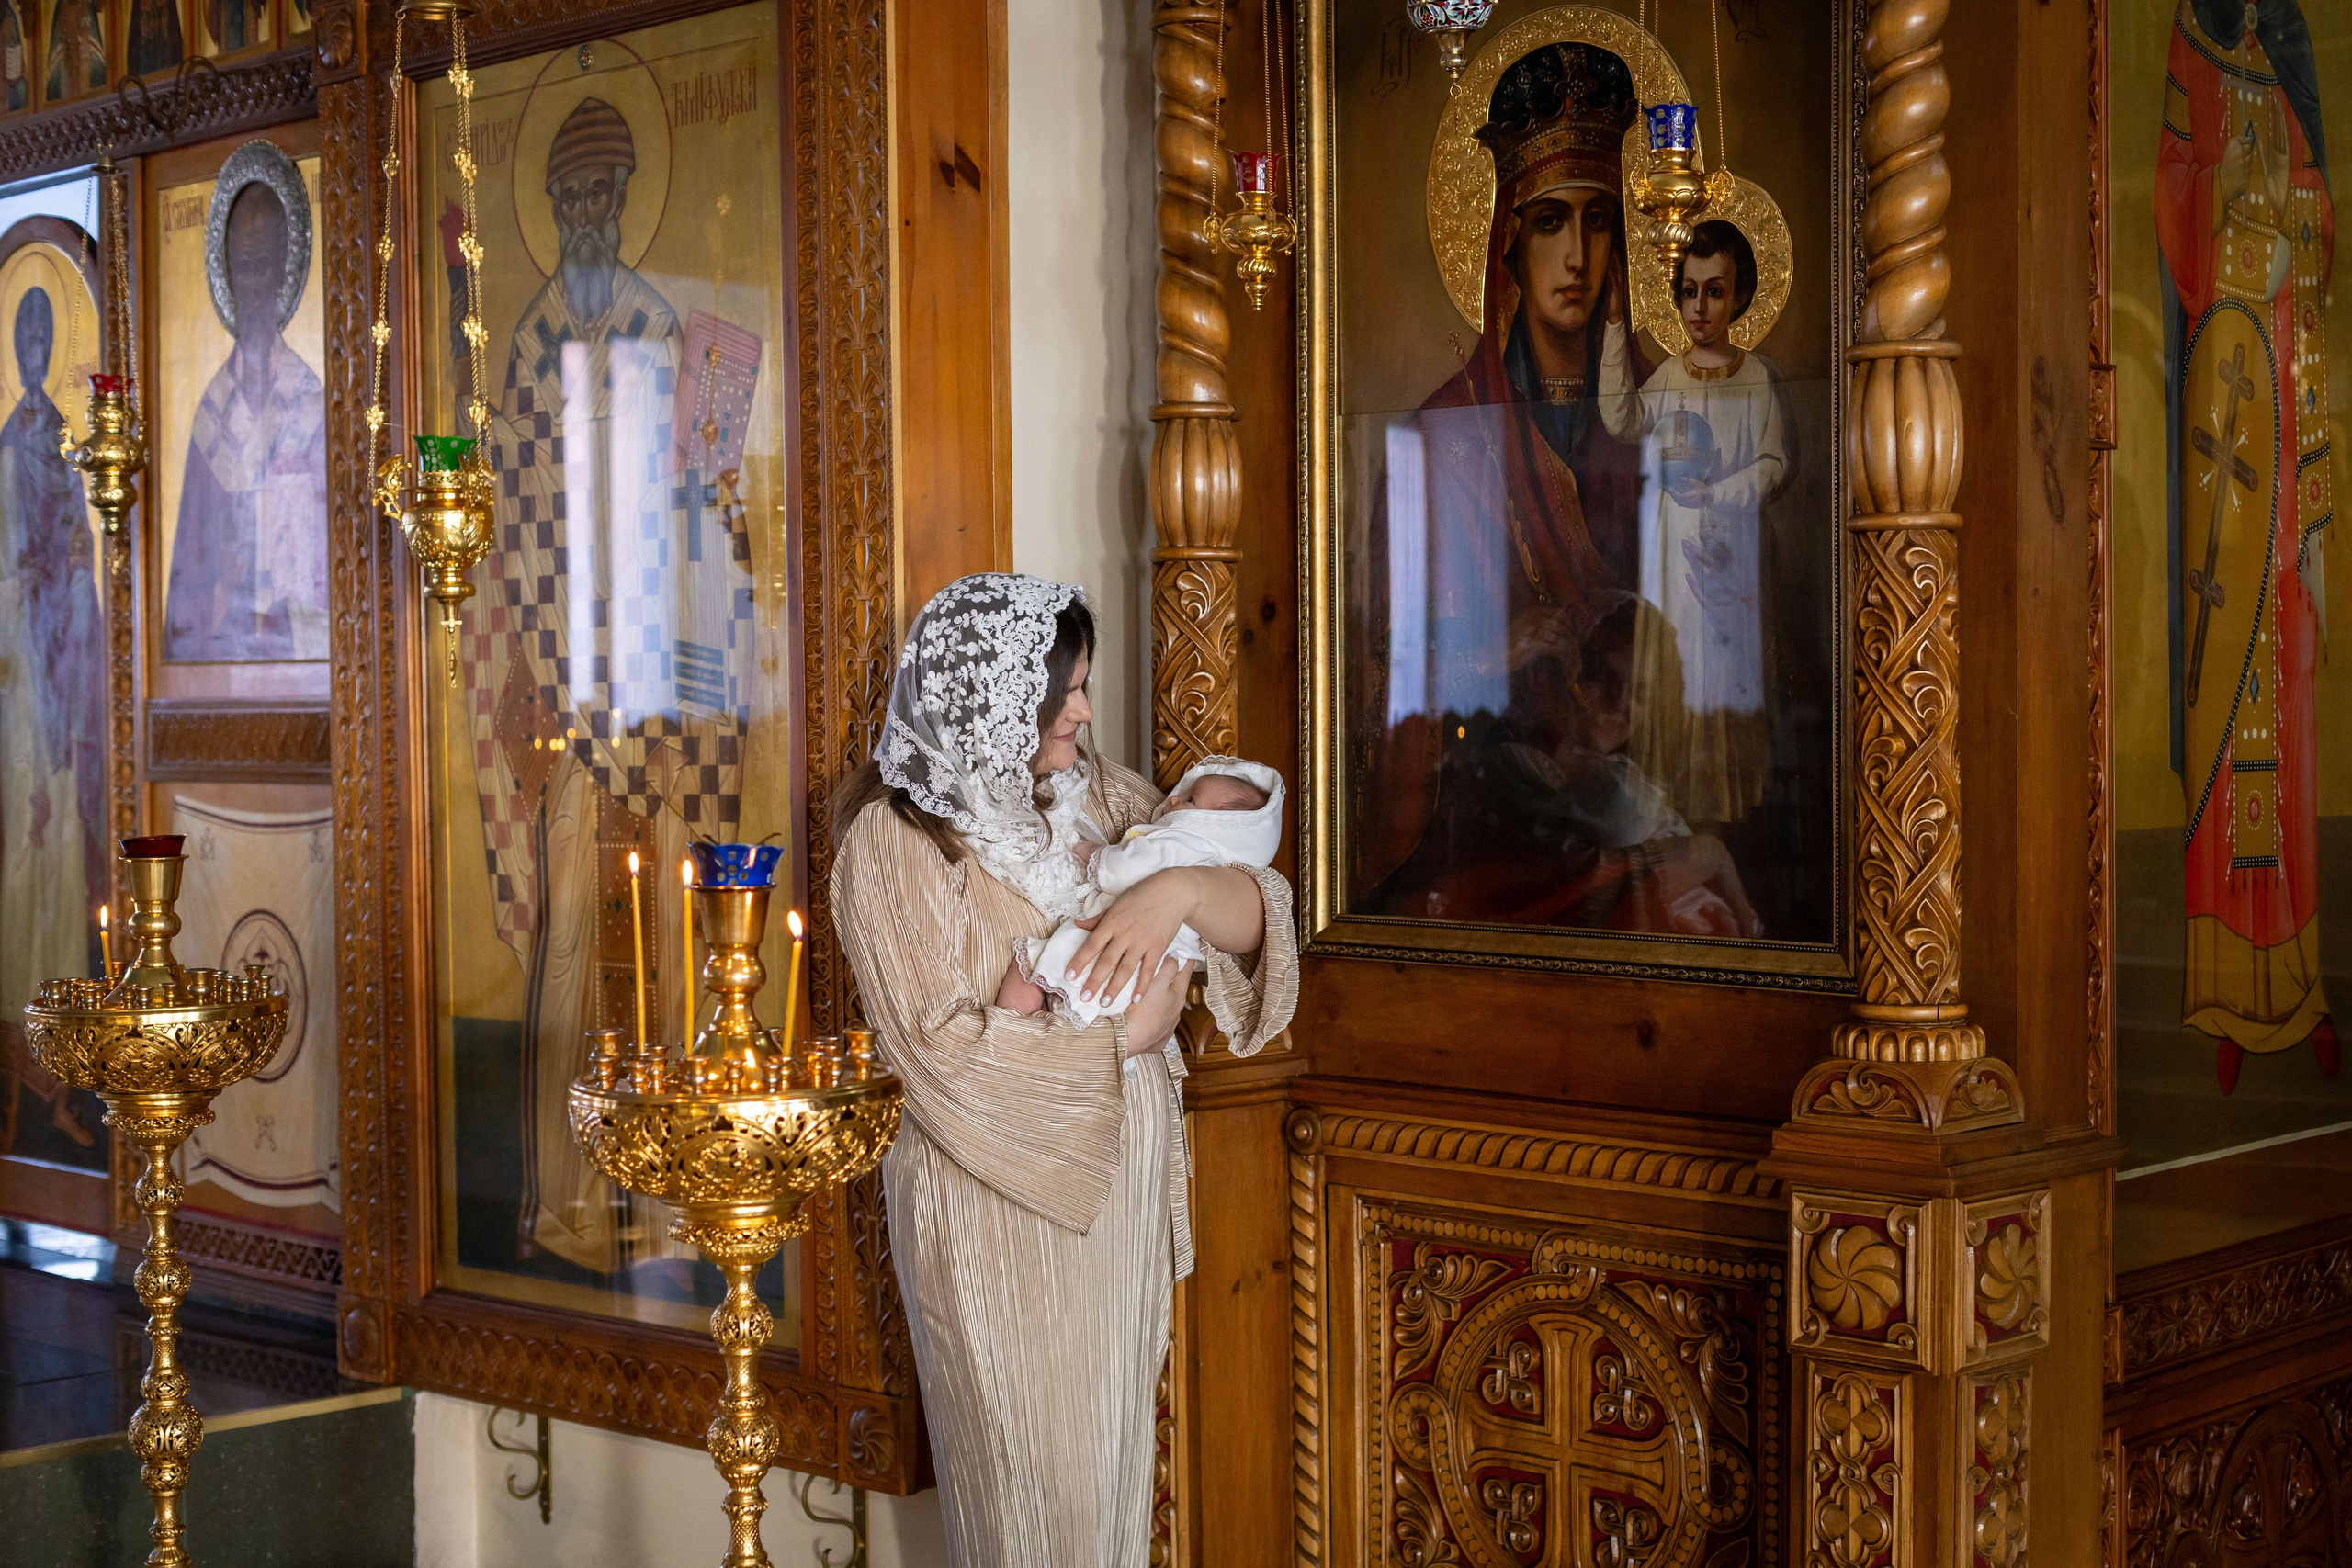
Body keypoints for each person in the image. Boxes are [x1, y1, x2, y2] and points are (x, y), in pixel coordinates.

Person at [829, 574, 1295, 1565]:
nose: (1081, 711)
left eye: (1081, 687)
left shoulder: (1101, 800)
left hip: (1119, 1198)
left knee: (1111, 1497)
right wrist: (1115, 1043)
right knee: (1035, 1510)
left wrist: (1172, 888)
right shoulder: (895, 844)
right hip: (996, 1207)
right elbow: (935, 1058)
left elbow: (1259, 917)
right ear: (990, 701)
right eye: (1062, 692)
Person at [464, 94, 749, 1272]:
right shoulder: (531, 342)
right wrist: (540, 680)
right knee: (577, 954)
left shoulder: (660, 330)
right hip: (573, 689)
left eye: (602, 196)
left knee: (666, 953)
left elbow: (694, 522)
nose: (586, 217)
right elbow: (516, 530)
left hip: (652, 691)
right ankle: (574, 1206)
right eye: (568, 198)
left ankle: (669, 1206)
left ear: (625, 202)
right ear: (549, 207)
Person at [1355, 41, 1650, 921]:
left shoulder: (1663, 425)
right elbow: (1386, 674)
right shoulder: (1442, 436)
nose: (1576, 257)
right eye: (1551, 221)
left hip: (1629, 802)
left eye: (1598, 221)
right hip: (1482, 818)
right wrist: (1504, 650)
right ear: (1508, 245)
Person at [2154, 0, 2335, 1090]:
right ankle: (2220, 992)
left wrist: (2293, 227)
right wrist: (2242, 224)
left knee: (2295, 728)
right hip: (2220, 396)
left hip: (2285, 376)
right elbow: (2170, 192)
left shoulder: (2297, 40)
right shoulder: (2194, 32)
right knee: (2223, 712)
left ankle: (2300, 988)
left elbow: (2321, 213)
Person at [1597, 219, 1790, 826]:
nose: (1699, 307)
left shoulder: (1756, 378)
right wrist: (1612, 328)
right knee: (1678, 670)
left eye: (1714, 290)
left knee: (1720, 673)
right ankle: (1672, 809)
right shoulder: (1668, 379)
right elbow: (1622, 419)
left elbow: (1774, 462)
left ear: (1739, 295)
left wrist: (1723, 493)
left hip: (1727, 556)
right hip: (1671, 560)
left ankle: (1726, 811)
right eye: (1689, 289)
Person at [0, 286, 106, 1159]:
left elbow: (80, 546)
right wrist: (27, 582)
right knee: (23, 860)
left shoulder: (69, 439)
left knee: (65, 862)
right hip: (14, 676)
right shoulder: (6, 445)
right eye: (23, 332)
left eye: (46, 332)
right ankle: (17, 1073)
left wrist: (67, 575)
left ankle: (59, 1075)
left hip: (61, 661)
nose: (36, 345)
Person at [164, 170, 330, 662]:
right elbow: (188, 579)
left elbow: (332, 565)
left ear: (283, 268)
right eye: (241, 267)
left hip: (303, 658)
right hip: (226, 654)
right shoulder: (212, 414)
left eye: (261, 265)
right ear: (227, 275)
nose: (251, 284)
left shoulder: (310, 402)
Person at [1001, 756, 1284, 1024]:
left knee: (1030, 969)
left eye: (1190, 800)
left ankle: (1013, 1039)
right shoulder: (1208, 858)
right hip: (1141, 989)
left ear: (1214, 824)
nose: (1173, 798)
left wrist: (1096, 854)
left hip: (1109, 958)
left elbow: (1124, 870)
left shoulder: (1179, 842)